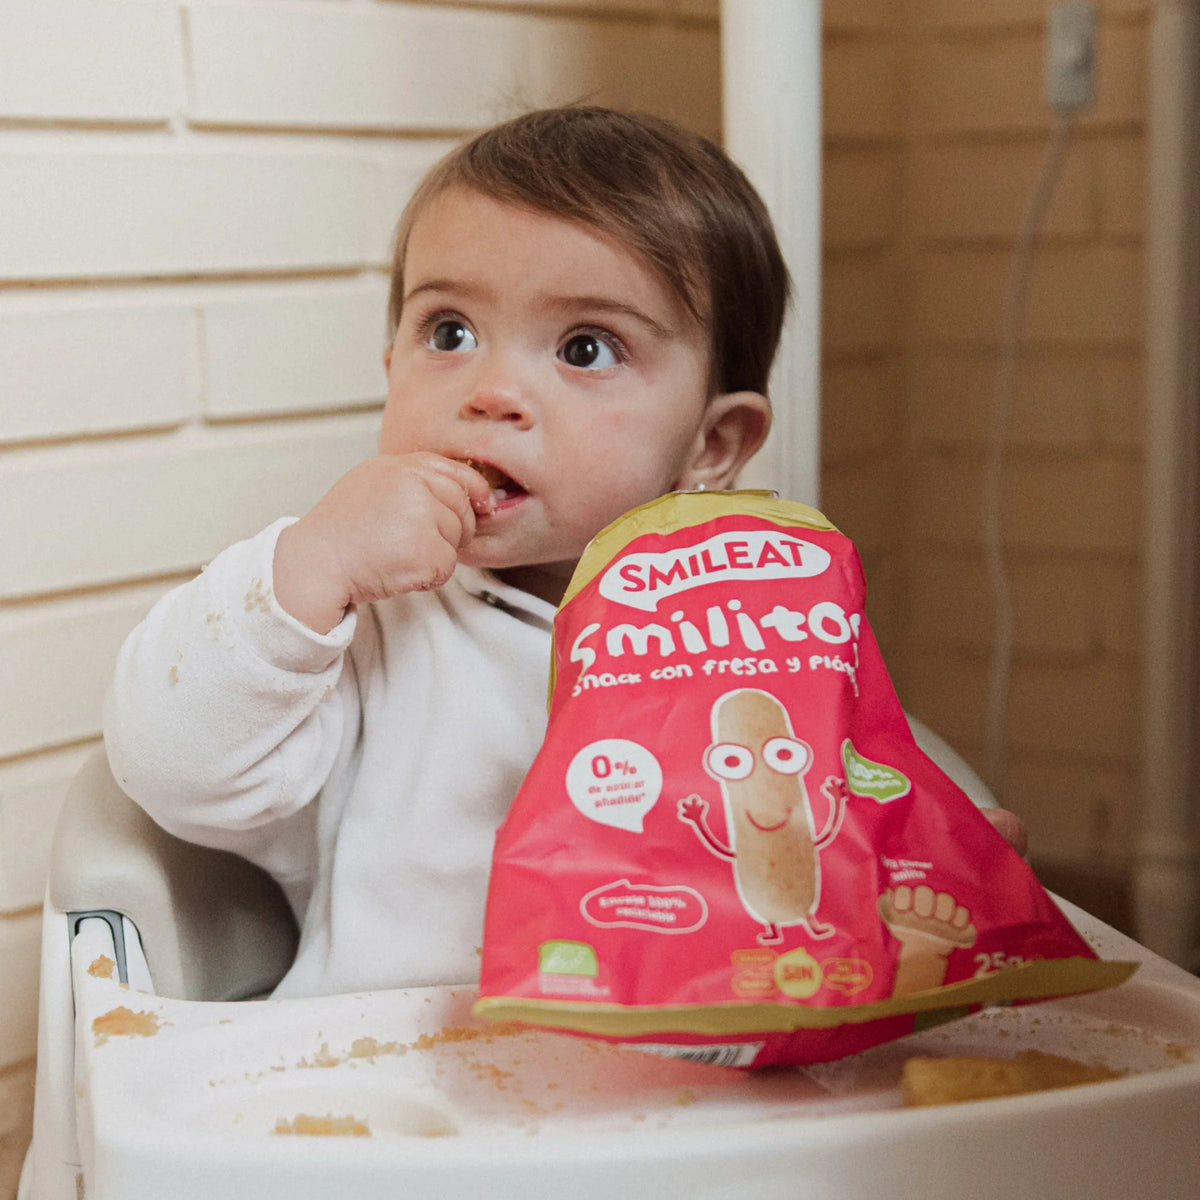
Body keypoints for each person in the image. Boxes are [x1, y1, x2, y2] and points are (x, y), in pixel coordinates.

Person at [104, 106, 1020, 1000]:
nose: (493, 391)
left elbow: (810, 824)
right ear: (391, 370)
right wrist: (310, 567)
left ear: (712, 445)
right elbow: (169, 764)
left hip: (687, 1062)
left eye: (586, 347)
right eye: (448, 333)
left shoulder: (753, 645)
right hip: (401, 1097)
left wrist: (929, 850)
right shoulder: (368, 632)